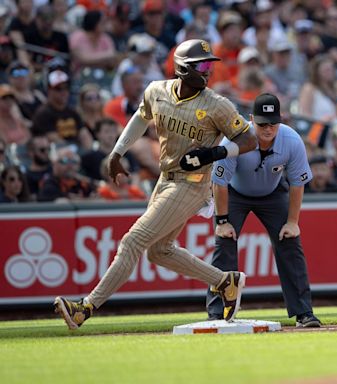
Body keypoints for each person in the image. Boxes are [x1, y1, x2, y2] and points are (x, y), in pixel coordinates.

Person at [54, 38, 257, 330]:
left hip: (193, 182)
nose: (208, 70)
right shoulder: (156, 90)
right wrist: (117, 151)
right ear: (181, 69)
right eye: (201, 65)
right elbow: (140, 117)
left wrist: (214, 153)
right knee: (158, 251)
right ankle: (225, 281)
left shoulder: (217, 105)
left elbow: (248, 140)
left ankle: (84, 308)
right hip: (166, 177)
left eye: (210, 64)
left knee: (132, 241)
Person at [206, 93, 321, 328]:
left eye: (273, 123)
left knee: (290, 242)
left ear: (281, 120)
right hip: (234, 194)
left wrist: (292, 221)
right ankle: (217, 314)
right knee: (225, 242)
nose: (268, 129)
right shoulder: (233, 141)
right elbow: (219, 183)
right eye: (262, 123)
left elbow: (298, 183)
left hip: (273, 192)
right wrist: (222, 221)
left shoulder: (291, 140)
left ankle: (304, 313)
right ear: (251, 119)